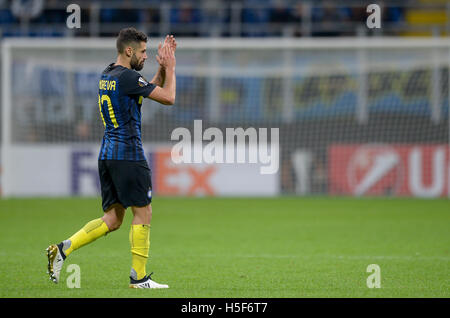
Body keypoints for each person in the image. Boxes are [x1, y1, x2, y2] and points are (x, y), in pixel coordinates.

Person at [46, 27, 176, 289]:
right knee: (144, 212)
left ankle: (62, 249)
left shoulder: (109, 74)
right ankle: (138, 278)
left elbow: (146, 88)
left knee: (114, 219)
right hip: (128, 155)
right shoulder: (128, 78)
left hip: (107, 155)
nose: (146, 56)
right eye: (142, 52)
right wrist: (171, 68)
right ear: (129, 51)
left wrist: (161, 69)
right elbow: (168, 98)